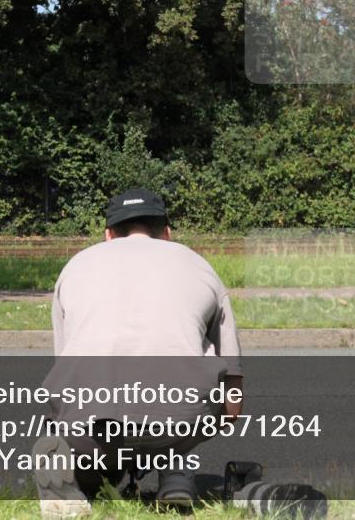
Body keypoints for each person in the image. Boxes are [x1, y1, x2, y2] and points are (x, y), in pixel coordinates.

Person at [38, 187, 243, 517]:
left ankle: (76, 481)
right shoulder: (200, 266)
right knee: (194, 363)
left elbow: (67, 363)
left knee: (75, 430)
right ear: (167, 233)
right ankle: (176, 472)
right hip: (179, 424)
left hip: (91, 425)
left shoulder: (75, 267)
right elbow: (233, 398)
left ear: (108, 235)